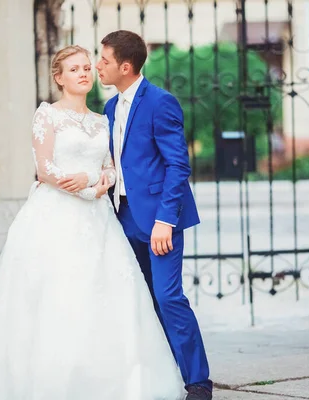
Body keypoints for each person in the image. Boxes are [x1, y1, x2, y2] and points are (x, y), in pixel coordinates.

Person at [0, 45, 184, 400]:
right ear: (59, 77)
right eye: (74, 69)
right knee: (55, 296)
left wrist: (103, 179)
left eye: (88, 67)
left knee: (104, 297)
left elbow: (112, 167)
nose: (84, 73)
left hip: (99, 223)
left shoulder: (104, 119)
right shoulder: (47, 116)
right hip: (55, 217)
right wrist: (89, 187)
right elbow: (45, 169)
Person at [96, 30, 213, 400]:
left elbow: (178, 166)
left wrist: (166, 220)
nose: (98, 65)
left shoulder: (161, 103)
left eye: (104, 60)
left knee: (168, 298)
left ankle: (198, 382)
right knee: (140, 301)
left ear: (125, 66)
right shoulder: (110, 108)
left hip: (160, 220)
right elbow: (119, 164)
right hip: (122, 217)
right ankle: (156, 377)